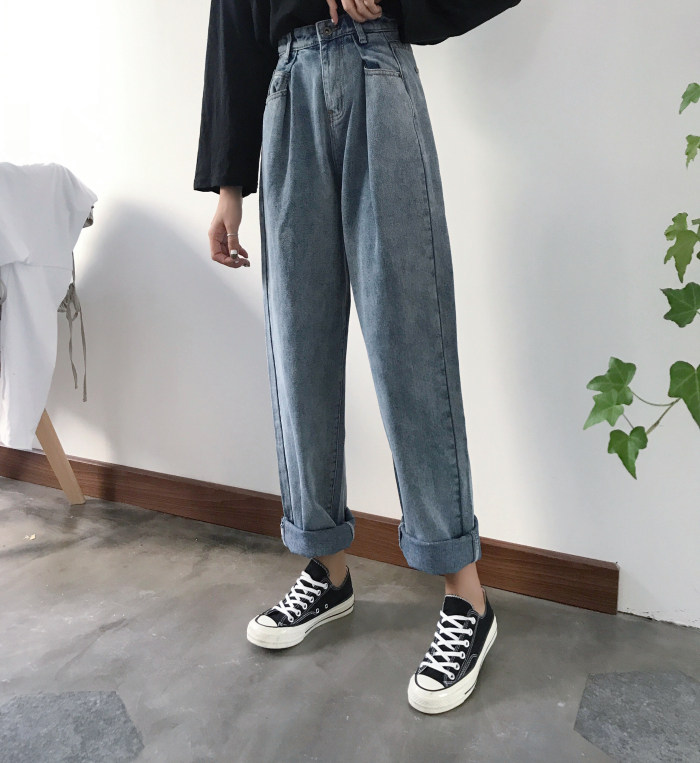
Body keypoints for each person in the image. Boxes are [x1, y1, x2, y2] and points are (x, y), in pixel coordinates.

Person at [194, 0, 521, 715]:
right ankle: (326, 566)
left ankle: (467, 596)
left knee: (411, 342)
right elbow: (233, 24)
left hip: (377, 73)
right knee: (298, 347)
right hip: (286, 91)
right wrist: (228, 185)